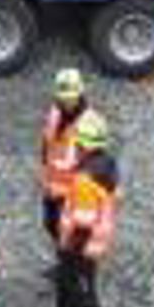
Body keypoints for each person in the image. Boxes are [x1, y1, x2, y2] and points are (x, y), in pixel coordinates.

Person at [43, 109, 118, 307]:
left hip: (81, 248)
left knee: (84, 297)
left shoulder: (85, 180)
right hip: (83, 246)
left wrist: (69, 251)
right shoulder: (104, 164)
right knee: (67, 286)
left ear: (84, 145)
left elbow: (83, 222)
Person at [39, 68, 88, 260]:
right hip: (52, 186)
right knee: (50, 224)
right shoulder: (54, 112)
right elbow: (46, 142)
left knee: (69, 234)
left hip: (73, 191)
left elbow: (94, 159)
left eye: (71, 98)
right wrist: (44, 169)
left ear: (80, 94)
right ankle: (64, 262)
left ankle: (71, 270)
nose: (67, 102)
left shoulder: (88, 123)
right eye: (63, 98)